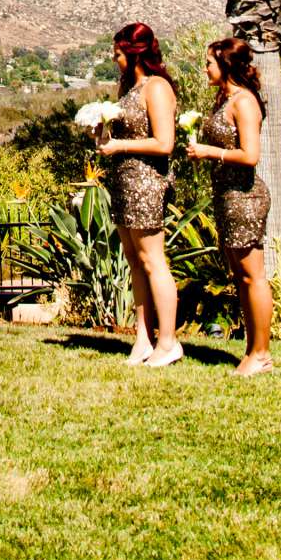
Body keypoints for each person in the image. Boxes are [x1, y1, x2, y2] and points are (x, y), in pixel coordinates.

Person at [95, 21, 183, 369]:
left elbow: (165, 143)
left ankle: (169, 341)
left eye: (117, 54)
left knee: (152, 260)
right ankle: (143, 338)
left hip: (147, 182)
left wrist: (120, 146)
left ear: (132, 54)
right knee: (134, 260)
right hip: (124, 180)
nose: (115, 61)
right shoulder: (128, 88)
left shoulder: (157, 88)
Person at [185, 36, 273, 377]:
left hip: (245, 197)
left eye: (209, 62)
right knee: (240, 276)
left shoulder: (244, 102)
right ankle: (252, 348)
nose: (205, 68)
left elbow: (250, 156)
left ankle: (262, 353)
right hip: (225, 195)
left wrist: (211, 152)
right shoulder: (225, 99)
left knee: (254, 276)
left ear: (225, 65)